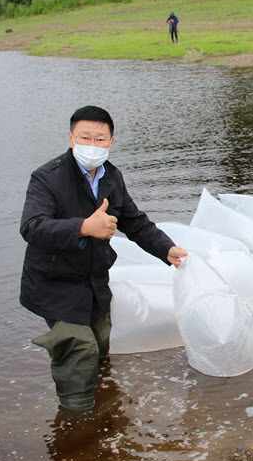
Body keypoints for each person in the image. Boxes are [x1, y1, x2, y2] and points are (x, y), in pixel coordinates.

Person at [20, 105, 187, 412]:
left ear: (111, 142)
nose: (92, 146)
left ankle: (100, 411)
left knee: (99, 344)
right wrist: (85, 227)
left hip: (94, 281)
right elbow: (32, 228)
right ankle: (76, 422)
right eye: (85, 138)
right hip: (54, 283)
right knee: (77, 348)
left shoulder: (111, 177)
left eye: (100, 139)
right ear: (71, 139)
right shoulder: (47, 178)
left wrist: (167, 250)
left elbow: (135, 222)